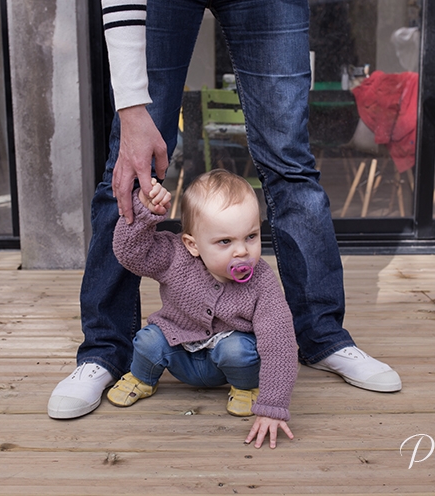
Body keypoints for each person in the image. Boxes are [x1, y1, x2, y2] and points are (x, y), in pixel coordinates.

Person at [48, 0, 401, 424]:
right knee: (128, 169)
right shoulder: (176, 255)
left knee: (291, 165)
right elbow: (134, 249)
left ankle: (323, 337)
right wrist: (131, 110)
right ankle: (105, 351)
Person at [107, 170, 298, 448]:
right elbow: (129, 253)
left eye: (251, 236)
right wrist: (143, 212)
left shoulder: (262, 281)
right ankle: (143, 378)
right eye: (225, 241)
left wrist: (273, 405)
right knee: (148, 340)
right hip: (179, 353)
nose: (242, 251)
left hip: (228, 362)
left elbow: (278, 342)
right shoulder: (175, 257)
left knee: (239, 350)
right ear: (192, 244)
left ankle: (246, 387)